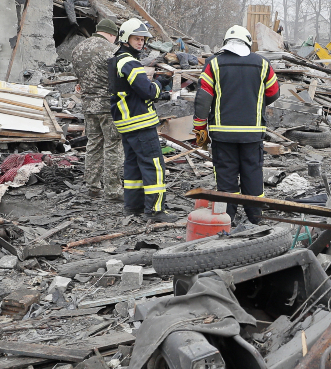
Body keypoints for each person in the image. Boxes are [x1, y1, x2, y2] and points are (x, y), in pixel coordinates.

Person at [193, 25, 280, 226]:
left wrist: (200, 131)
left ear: (226, 43)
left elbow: (203, 99)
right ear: (248, 42)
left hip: (222, 135)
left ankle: (227, 219)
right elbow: (274, 92)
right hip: (252, 134)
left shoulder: (213, 64)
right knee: (253, 175)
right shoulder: (262, 63)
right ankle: (255, 218)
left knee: (225, 178)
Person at [109, 18, 176, 221]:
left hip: (126, 122)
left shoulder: (115, 60)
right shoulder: (129, 61)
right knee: (154, 165)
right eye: (137, 39)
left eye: (142, 39)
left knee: (133, 164)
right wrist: (159, 84)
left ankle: (133, 206)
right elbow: (147, 91)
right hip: (140, 122)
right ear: (125, 39)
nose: (141, 43)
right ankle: (155, 211)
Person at [70, 18, 121, 200]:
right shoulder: (110, 49)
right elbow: (120, 75)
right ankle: (113, 190)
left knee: (93, 144)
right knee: (113, 146)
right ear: (112, 34)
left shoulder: (78, 49)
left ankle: (93, 187)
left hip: (88, 105)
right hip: (108, 106)